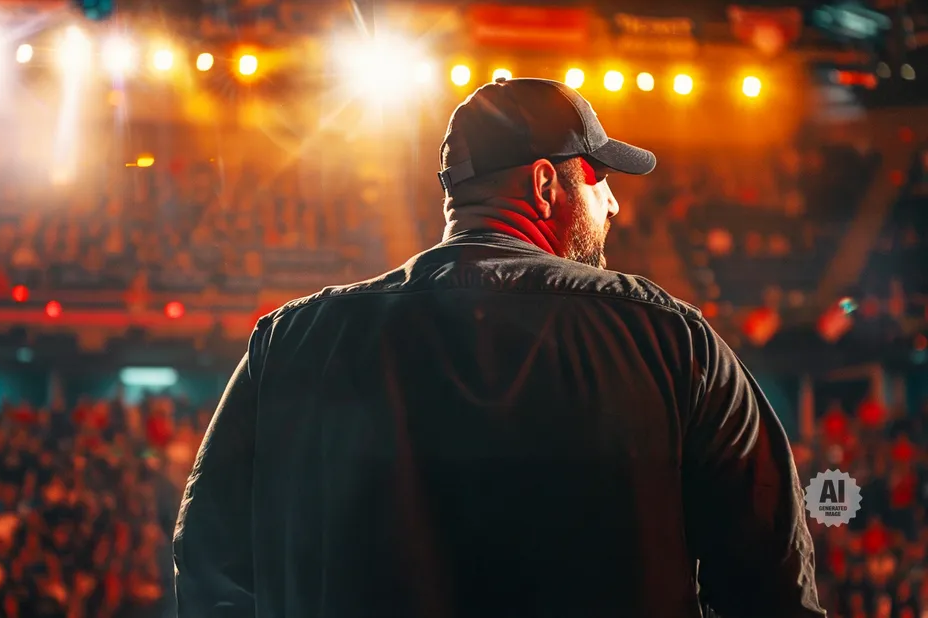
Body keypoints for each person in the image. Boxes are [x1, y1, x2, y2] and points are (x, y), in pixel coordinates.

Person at [173, 77, 825, 618]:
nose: (614, 205)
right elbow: (773, 591)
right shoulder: (671, 341)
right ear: (545, 185)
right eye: (598, 178)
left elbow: (209, 565)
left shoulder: (290, 343)